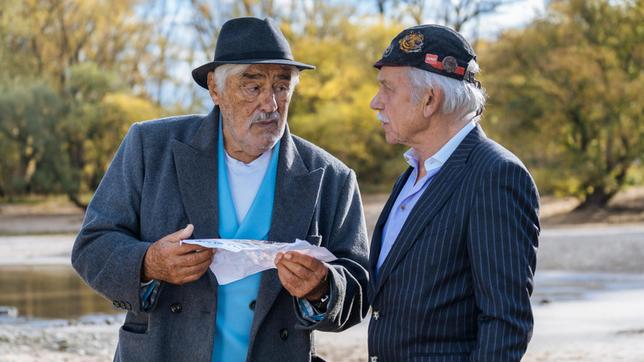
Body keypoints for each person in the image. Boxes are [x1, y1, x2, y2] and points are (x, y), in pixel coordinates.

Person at [72, 17, 369, 362]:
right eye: (253, 87)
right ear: (215, 88)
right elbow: (91, 247)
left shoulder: (332, 177)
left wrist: (322, 288)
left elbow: (359, 289)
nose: (271, 105)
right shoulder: (149, 147)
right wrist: (149, 263)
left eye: (282, 87)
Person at [366, 24, 540, 361]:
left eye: (387, 89)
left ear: (430, 100)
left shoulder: (495, 175)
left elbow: (505, 324)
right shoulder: (411, 176)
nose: (376, 103)